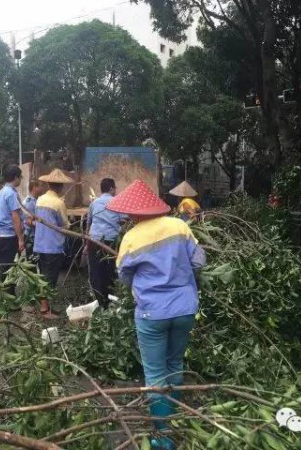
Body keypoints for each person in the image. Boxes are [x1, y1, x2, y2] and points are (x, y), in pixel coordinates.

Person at [107, 179, 206, 450]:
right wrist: (180, 275)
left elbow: (124, 276)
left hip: (152, 313)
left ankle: (163, 436)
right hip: (185, 308)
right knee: (174, 363)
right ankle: (175, 417)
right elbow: (199, 261)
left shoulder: (131, 237)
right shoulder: (180, 226)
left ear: (135, 214)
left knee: (154, 373)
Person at [33, 169, 73, 319]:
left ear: (49, 184)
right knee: (50, 278)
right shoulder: (59, 203)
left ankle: (45, 306)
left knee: (43, 276)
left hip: (40, 244)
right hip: (53, 246)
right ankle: (44, 310)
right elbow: (65, 225)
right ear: (61, 186)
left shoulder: (40, 199)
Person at [86, 178, 124, 308]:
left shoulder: (94, 203)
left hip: (94, 240)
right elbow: (123, 221)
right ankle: (109, 299)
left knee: (96, 271)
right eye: (115, 189)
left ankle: (98, 300)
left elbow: (88, 222)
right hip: (110, 241)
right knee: (111, 271)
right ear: (112, 189)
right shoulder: (117, 203)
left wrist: (86, 243)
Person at [0, 165, 25, 282]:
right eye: (20, 177)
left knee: (2, 265)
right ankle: (8, 293)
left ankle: (3, 292)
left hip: (1, 236)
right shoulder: (10, 194)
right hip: (10, 236)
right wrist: (20, 239)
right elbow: (15, 217)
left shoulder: (0, 193)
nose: (21, 180)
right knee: (10, 268)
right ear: (15, 177)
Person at [23, 180, 44, 258]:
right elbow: (28, 221)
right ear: (34, 187)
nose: (42, 188)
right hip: (30, 236)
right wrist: (41, 224)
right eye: (40, 186)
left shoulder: (35, 200)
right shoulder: (29, 202)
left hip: (33, 234)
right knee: (32, 260)